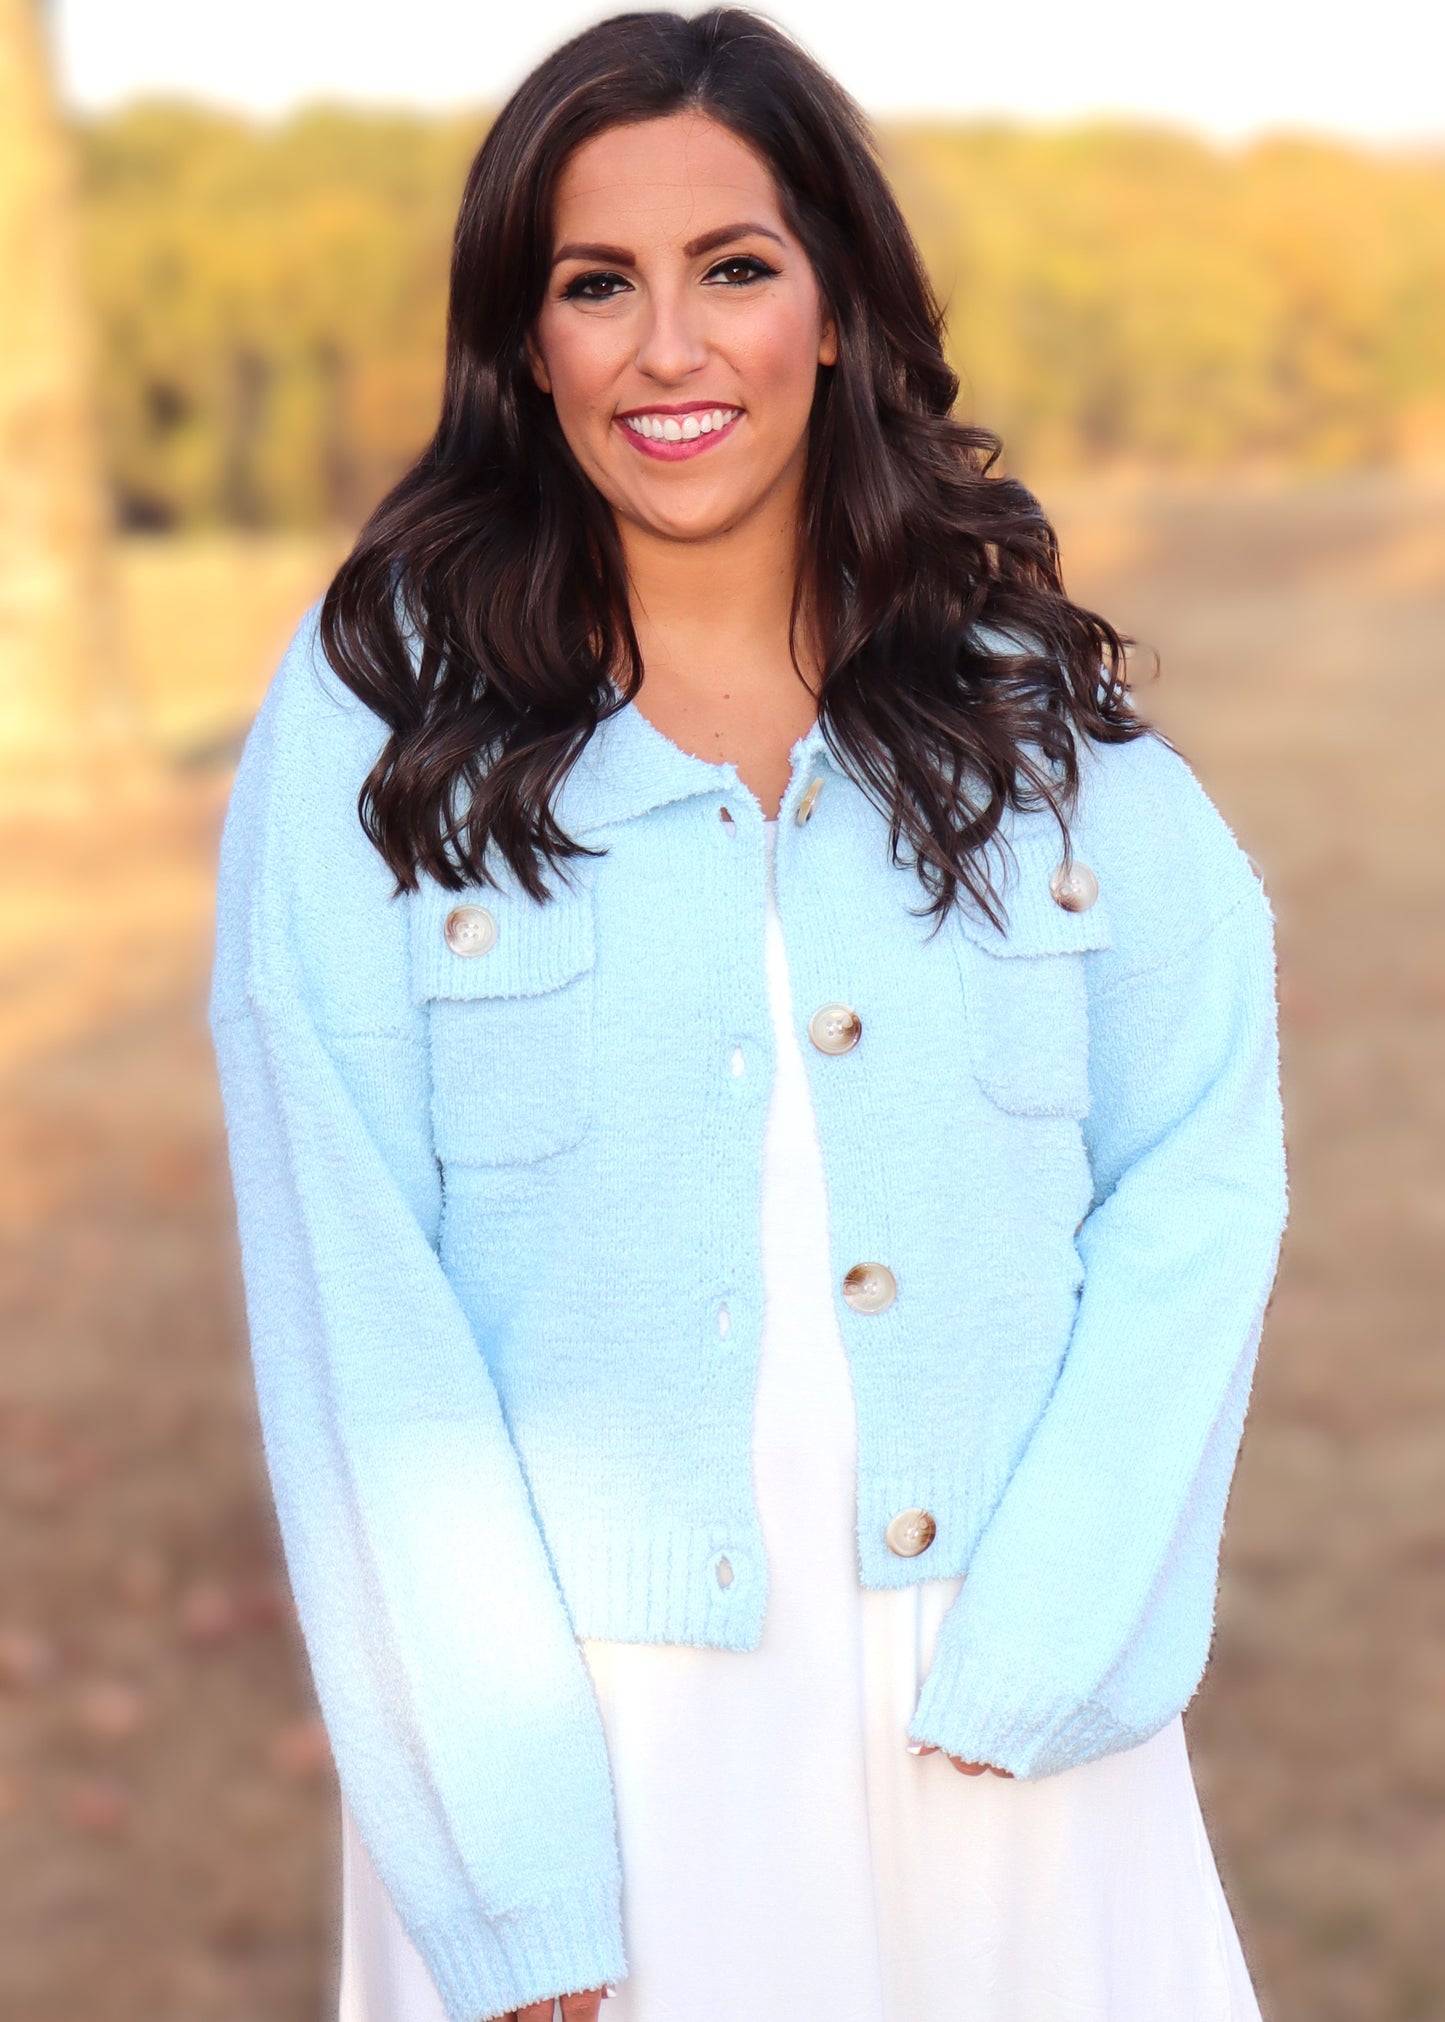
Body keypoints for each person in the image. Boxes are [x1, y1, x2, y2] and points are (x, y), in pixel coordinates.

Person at [209, 11, 1289, 2020]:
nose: (670, 351)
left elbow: (1201, 1165)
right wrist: (503, 1861)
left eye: (736, 268)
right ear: (522, 343)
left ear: (838, 311)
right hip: (589, 1762)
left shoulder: (1023, 720)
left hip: (1006, 1728)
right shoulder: (381, 720)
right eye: (595, 284)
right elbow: (349, 1293)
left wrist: (1058, 1633)